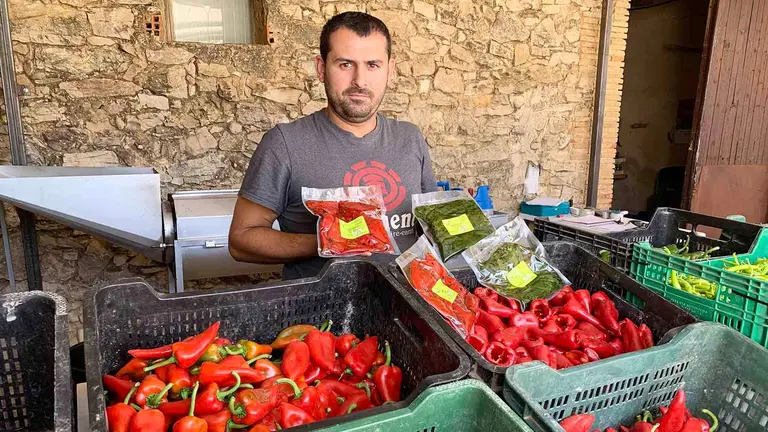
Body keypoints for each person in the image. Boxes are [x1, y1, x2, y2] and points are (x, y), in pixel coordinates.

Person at [229, 11, 437, 280]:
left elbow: (429, 228)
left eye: (373, 65)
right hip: (322, 305)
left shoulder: (410, 138)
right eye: (345, 64)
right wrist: (327, 241)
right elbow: (241, 241)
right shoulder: (285, 143)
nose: (360, 80)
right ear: (321, 68)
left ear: (390, 70)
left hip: (407, 301)